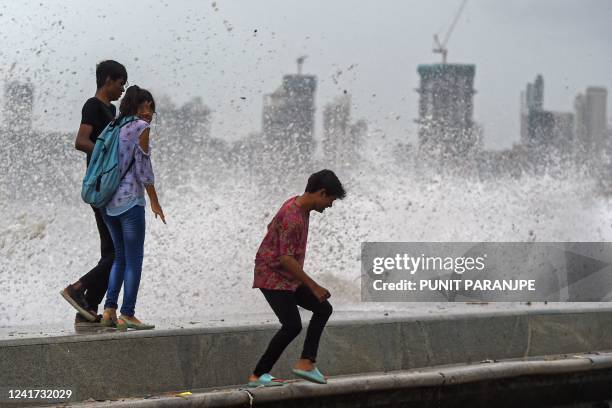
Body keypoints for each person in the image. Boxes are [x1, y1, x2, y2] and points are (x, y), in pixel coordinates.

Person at [248, 170, 346, 387]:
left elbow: (272, 229)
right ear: (321, 192)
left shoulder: (299, 206)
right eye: (330, 200)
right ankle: (258, 375)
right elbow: (285, 259)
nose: (330, 206)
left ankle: (306, 362)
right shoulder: (293, 216)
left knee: (323, 309)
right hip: (272, 276)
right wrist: (314, 285)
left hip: (286, 276)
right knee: (292, 325)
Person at [61, 60, 127, 327]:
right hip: (100, 186)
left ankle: (86, 309)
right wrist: (107, 158)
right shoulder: (93, 106)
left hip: (110, 186)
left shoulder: (111, 109)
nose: (122, 88)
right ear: (108, 80)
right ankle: (77, 289)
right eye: (120, 82)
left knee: (110, 250)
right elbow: (81, 141)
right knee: (118, 250)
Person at [100, 85, 165, 330]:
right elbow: (143, 169)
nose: (147, 112)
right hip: (130, 203)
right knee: (134, 259)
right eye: (142, 106)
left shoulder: (113, 127)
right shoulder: (141, 128)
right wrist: (155, 201)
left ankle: (109, 310)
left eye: (150, 106)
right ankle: (127, 312)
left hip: (108, 202)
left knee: (119, 256)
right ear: (133, 106)